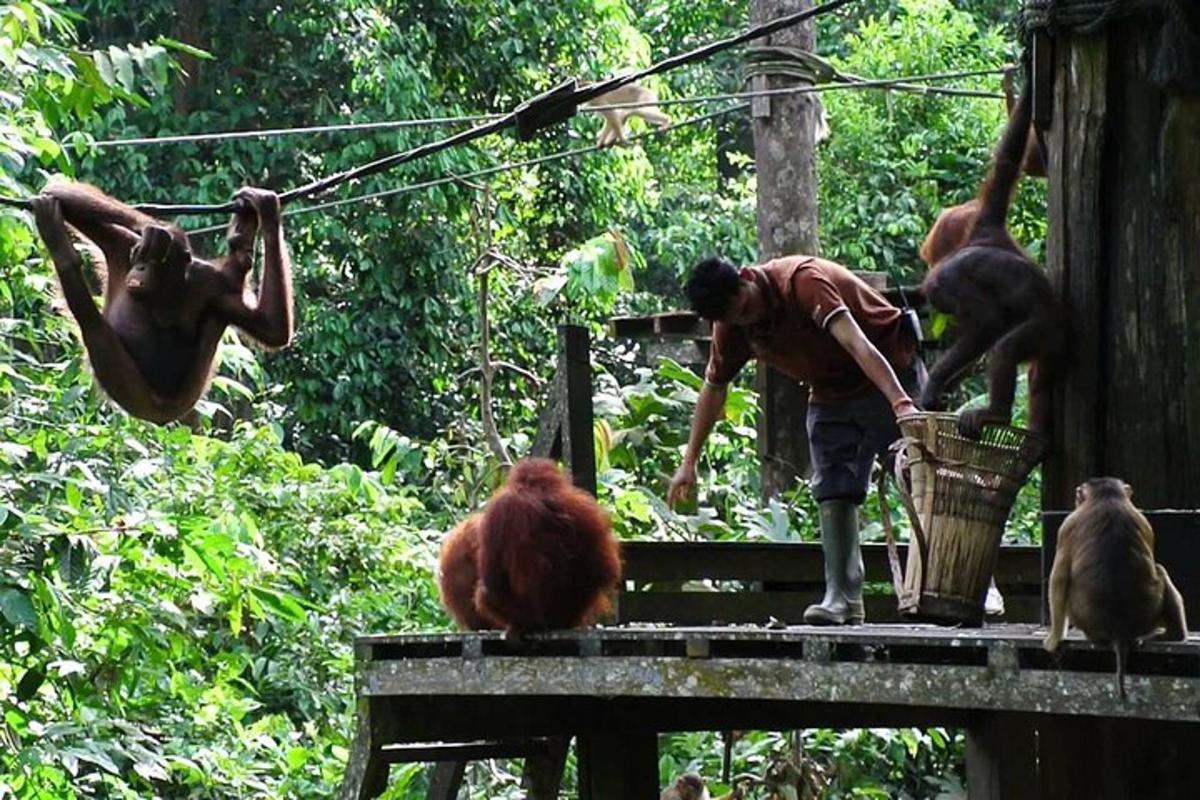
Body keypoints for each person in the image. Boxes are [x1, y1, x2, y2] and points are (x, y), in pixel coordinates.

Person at [667, 254, 922, 625]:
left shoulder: (802, 282)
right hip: (830, 392)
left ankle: (957, 585)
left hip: (887, 369)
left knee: (921, 479)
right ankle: (843, 597)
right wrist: (689, 461)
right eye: (736, 318)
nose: (747, 319)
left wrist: (901, 403)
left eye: (746, 307)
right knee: (832, 486)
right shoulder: (733, 325)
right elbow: (714, 388)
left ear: (746, 277)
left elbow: (857, 345)